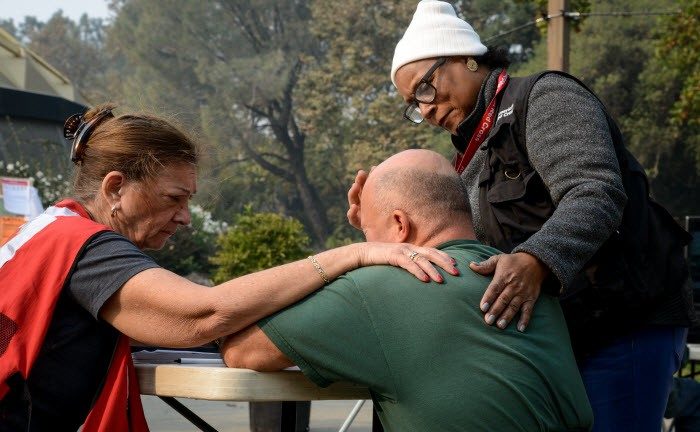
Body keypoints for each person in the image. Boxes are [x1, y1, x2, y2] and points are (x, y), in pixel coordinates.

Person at [0, 104, 457, 432]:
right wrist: (351, 255)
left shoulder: (50, 231)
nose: (184, 217)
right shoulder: (89, 250)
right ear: (115, 187)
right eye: (173, 198)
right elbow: (203, 314)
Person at [346, 1, 695, 430]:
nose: (427, 109)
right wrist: (376, 224)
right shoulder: (466, 160)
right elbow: (459, 252)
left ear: (465, 57)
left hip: (626, 320)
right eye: (414, 105)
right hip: (558, 335)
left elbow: (595, 191)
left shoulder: (544, 97)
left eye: (425, 88)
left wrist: (537, 260)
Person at [221, 149, 594, 432]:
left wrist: (355, 255)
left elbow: (242, 350)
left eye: (366, 234)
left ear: (399, 225)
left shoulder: (378, 289)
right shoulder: (529, 284)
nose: (369, 247)